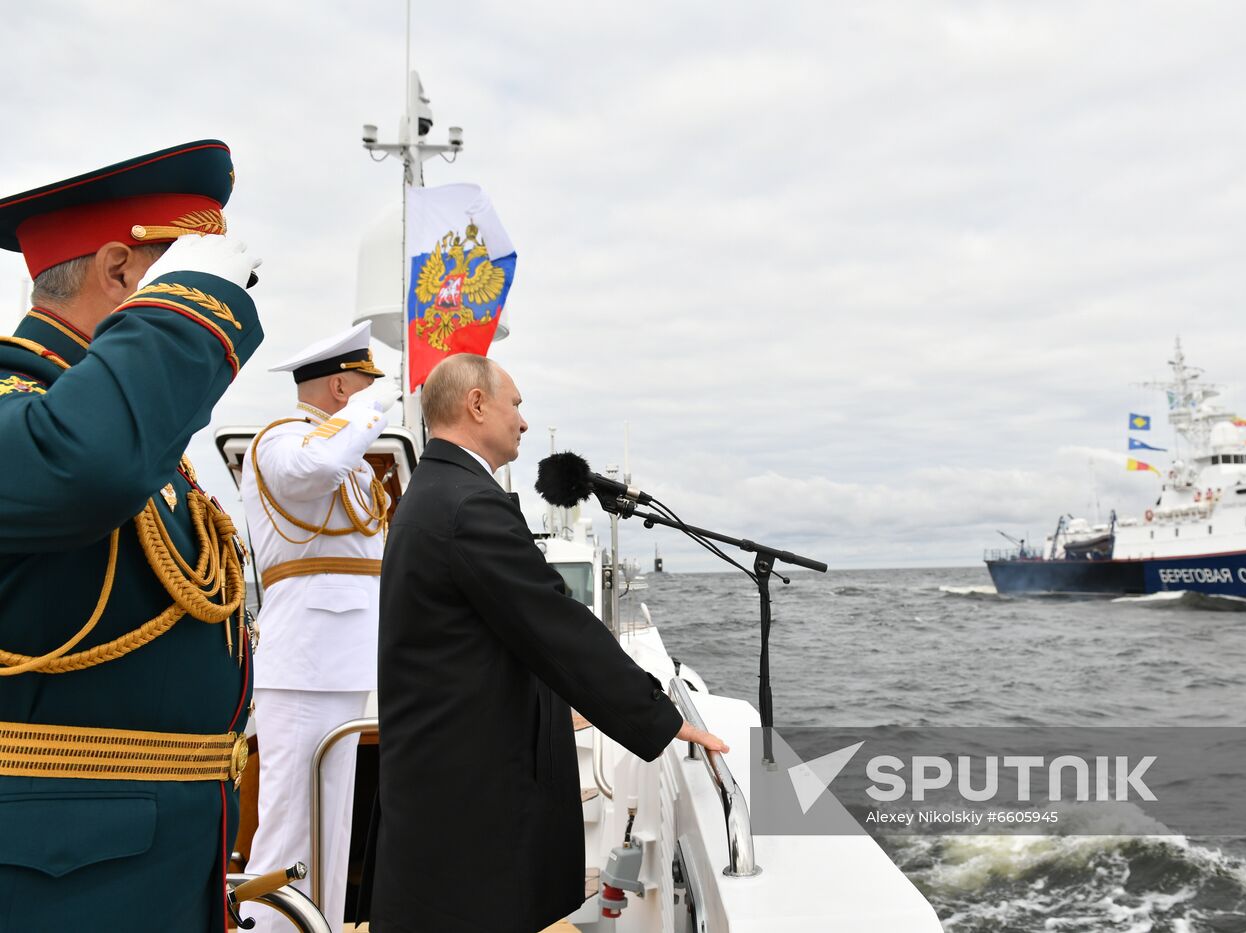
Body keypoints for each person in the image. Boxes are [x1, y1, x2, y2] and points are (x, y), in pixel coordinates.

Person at [0, 141, 263, 932]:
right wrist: (200, 301)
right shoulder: (26, 407)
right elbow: (87, 465)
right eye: (170, 275)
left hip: (157, 862)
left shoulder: (130, 434)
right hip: (60, 885)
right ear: (120, 273)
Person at [373, 353, 727, 933]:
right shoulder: (467, 504)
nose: (523, 421)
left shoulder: (435, 490)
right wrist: (659, 716)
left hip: (441, 771)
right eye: (515, 403)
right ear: (477, 403)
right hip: (468, 785)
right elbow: (553, 623)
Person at [240, 320, 399, 931]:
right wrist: (375, 406)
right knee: (288, 827)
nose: (372, 396)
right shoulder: (282, 440)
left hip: (341, 657)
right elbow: (312, 473)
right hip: (305, 658)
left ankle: (318, 925)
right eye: (363, 385)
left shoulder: (338, 452)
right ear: (340, 389)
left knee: (330, 828)